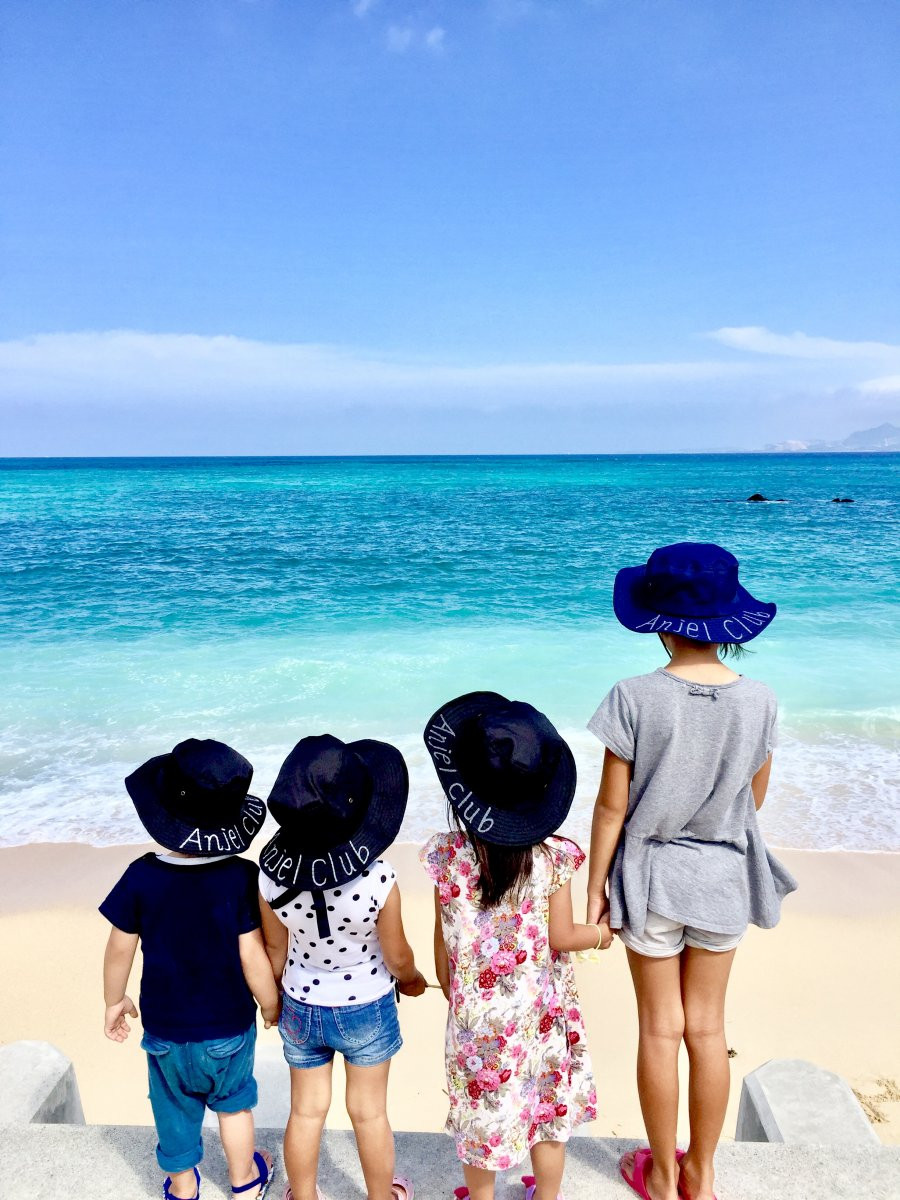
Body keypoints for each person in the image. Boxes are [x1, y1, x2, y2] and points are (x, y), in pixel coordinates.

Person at [585, 542, 797, 1200]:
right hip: (722, 879)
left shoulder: (633, 696)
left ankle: (662, 1171)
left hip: (650, 880)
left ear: (660, 623)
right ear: (727, 623)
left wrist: (594, 891)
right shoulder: (760, 700)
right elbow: (753, 799)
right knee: (708, 1028)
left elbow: (611, 808)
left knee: (660, 1028)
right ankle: (701, 1175)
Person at [421, 692, 601, 1200]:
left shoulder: (446, 856)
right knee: (546, 1109)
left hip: (476, 1020)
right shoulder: (554, 858)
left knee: (481, 1116)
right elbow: (562, 936)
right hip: (540, 1015)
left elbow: (444, 942)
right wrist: (601, 935)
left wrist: (453, 989)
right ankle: (546, 1195)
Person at [100, 738, 279, 1200]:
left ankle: (183, 1187)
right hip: (228, 1027)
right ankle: (244, 1180)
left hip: (165, 1029)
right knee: (234, 1104)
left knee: (172, 1109)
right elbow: (251, 954)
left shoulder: (141, 875)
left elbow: (119, 947)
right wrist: (270, 1004)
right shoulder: (239, 876)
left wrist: (114, 1000)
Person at [258, 734, 426, 1200]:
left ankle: (303, 1195)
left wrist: (275, 999)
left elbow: (275, 951)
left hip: (301, 1002)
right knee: (369, 1113)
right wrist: (412, 981)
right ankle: (380, 1196)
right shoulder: (378, 878)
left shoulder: (271, 877)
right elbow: (397, 956)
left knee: (306, 1111)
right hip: (366, 1006)